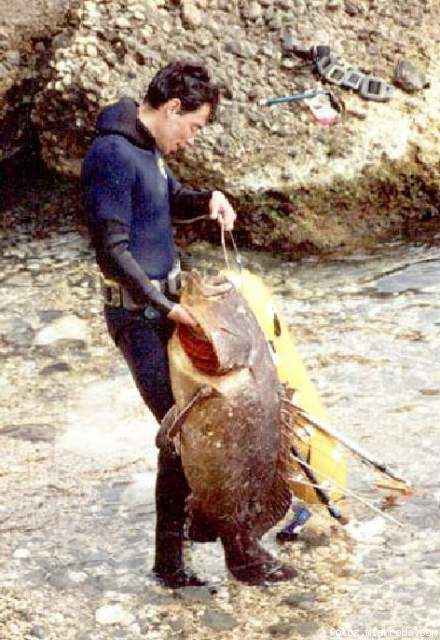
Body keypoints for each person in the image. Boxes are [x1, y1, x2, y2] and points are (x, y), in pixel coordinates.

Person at [82, 61, 236, 588]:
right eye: (193, 127)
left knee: (206, 416)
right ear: (172, 108)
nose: (191, 138)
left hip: (166, 306)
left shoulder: (147, 149)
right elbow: (112, 250)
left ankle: (198, 526)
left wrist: (207, 200)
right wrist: (165, 307)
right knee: (179, 428)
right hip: (135, 315)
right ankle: (169, 564)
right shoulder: (112, 154)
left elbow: (165, 202)